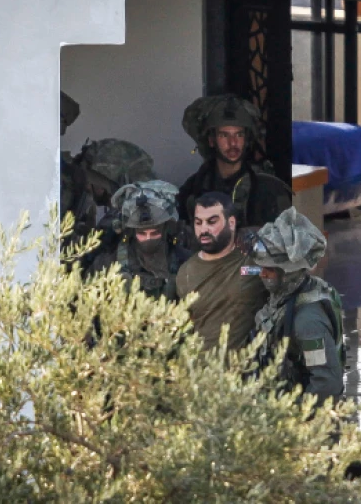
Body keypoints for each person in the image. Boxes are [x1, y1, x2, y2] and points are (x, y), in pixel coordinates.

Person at [246, 207, 345, 403]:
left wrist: (296, 420)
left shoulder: (308, 321)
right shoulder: (284, 296)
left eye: (270, 270)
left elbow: (326, 383)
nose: (262, 274)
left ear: (289, 273)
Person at [176, 95, 292, 229]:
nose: (233, 143)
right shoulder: (195, 187)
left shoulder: (267, 187)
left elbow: (286, 239)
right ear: (211, 140)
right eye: (224, 135)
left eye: (239, 134)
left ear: (246, 139)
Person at [175, 192, 268, 352]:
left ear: (231, 223)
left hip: (247, 369)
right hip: (201, 370)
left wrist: (257, 239)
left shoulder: (254, 261)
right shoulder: (186, 273)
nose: (204, 229)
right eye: (198, 222)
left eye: (212, 222)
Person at [87, 180, 190, 301]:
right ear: (132, 232)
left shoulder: (185, 264)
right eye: (142, 233)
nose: (148, 239)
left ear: (165, 231)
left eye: (154, 233)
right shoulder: (107, 264)